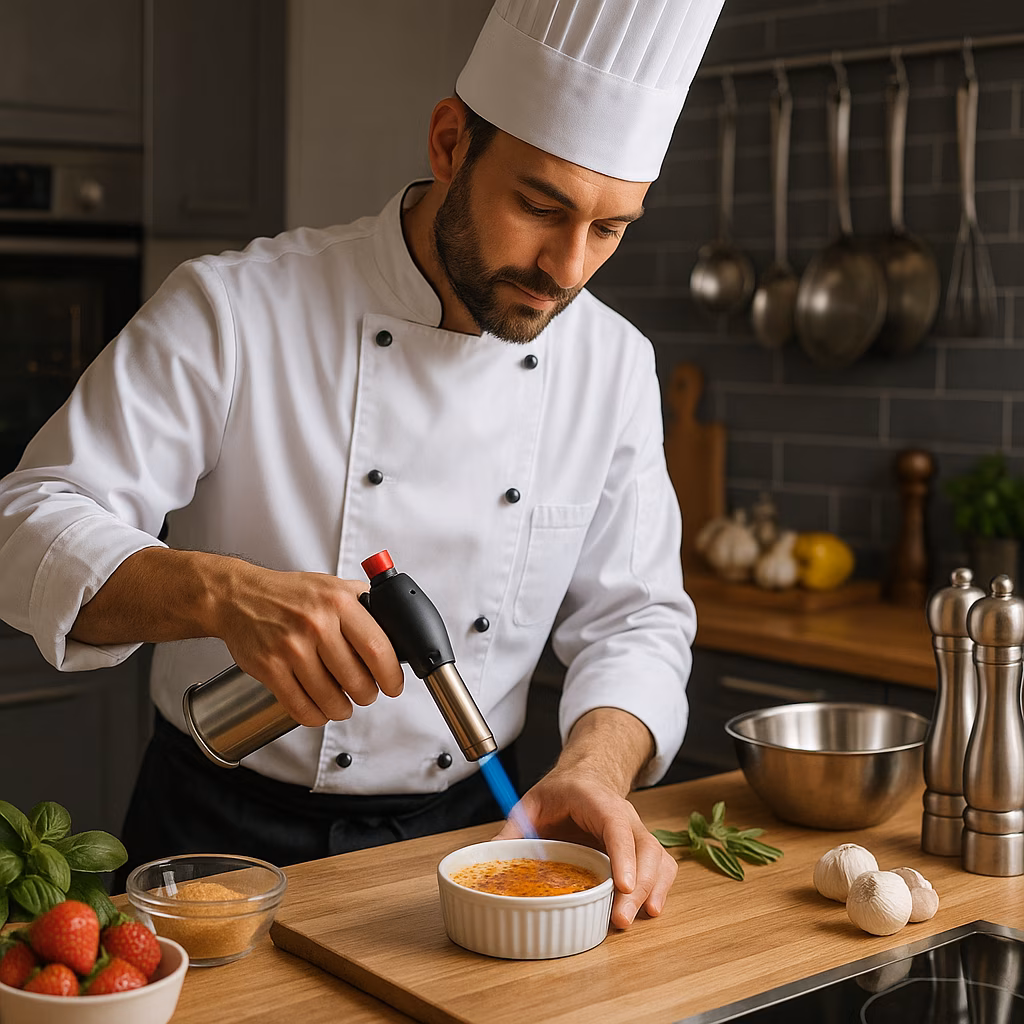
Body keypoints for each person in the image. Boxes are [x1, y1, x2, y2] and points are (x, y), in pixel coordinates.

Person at [0, 0, 724, 929]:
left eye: (610, 228)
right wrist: (223, 594)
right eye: (541, 207)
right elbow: (28, 523)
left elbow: (637, 619)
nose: (567, 268)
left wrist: (595, 767)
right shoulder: (236, 310)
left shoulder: (613, 364)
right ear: (450, 142)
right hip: (219, 831)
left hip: (473, 838)